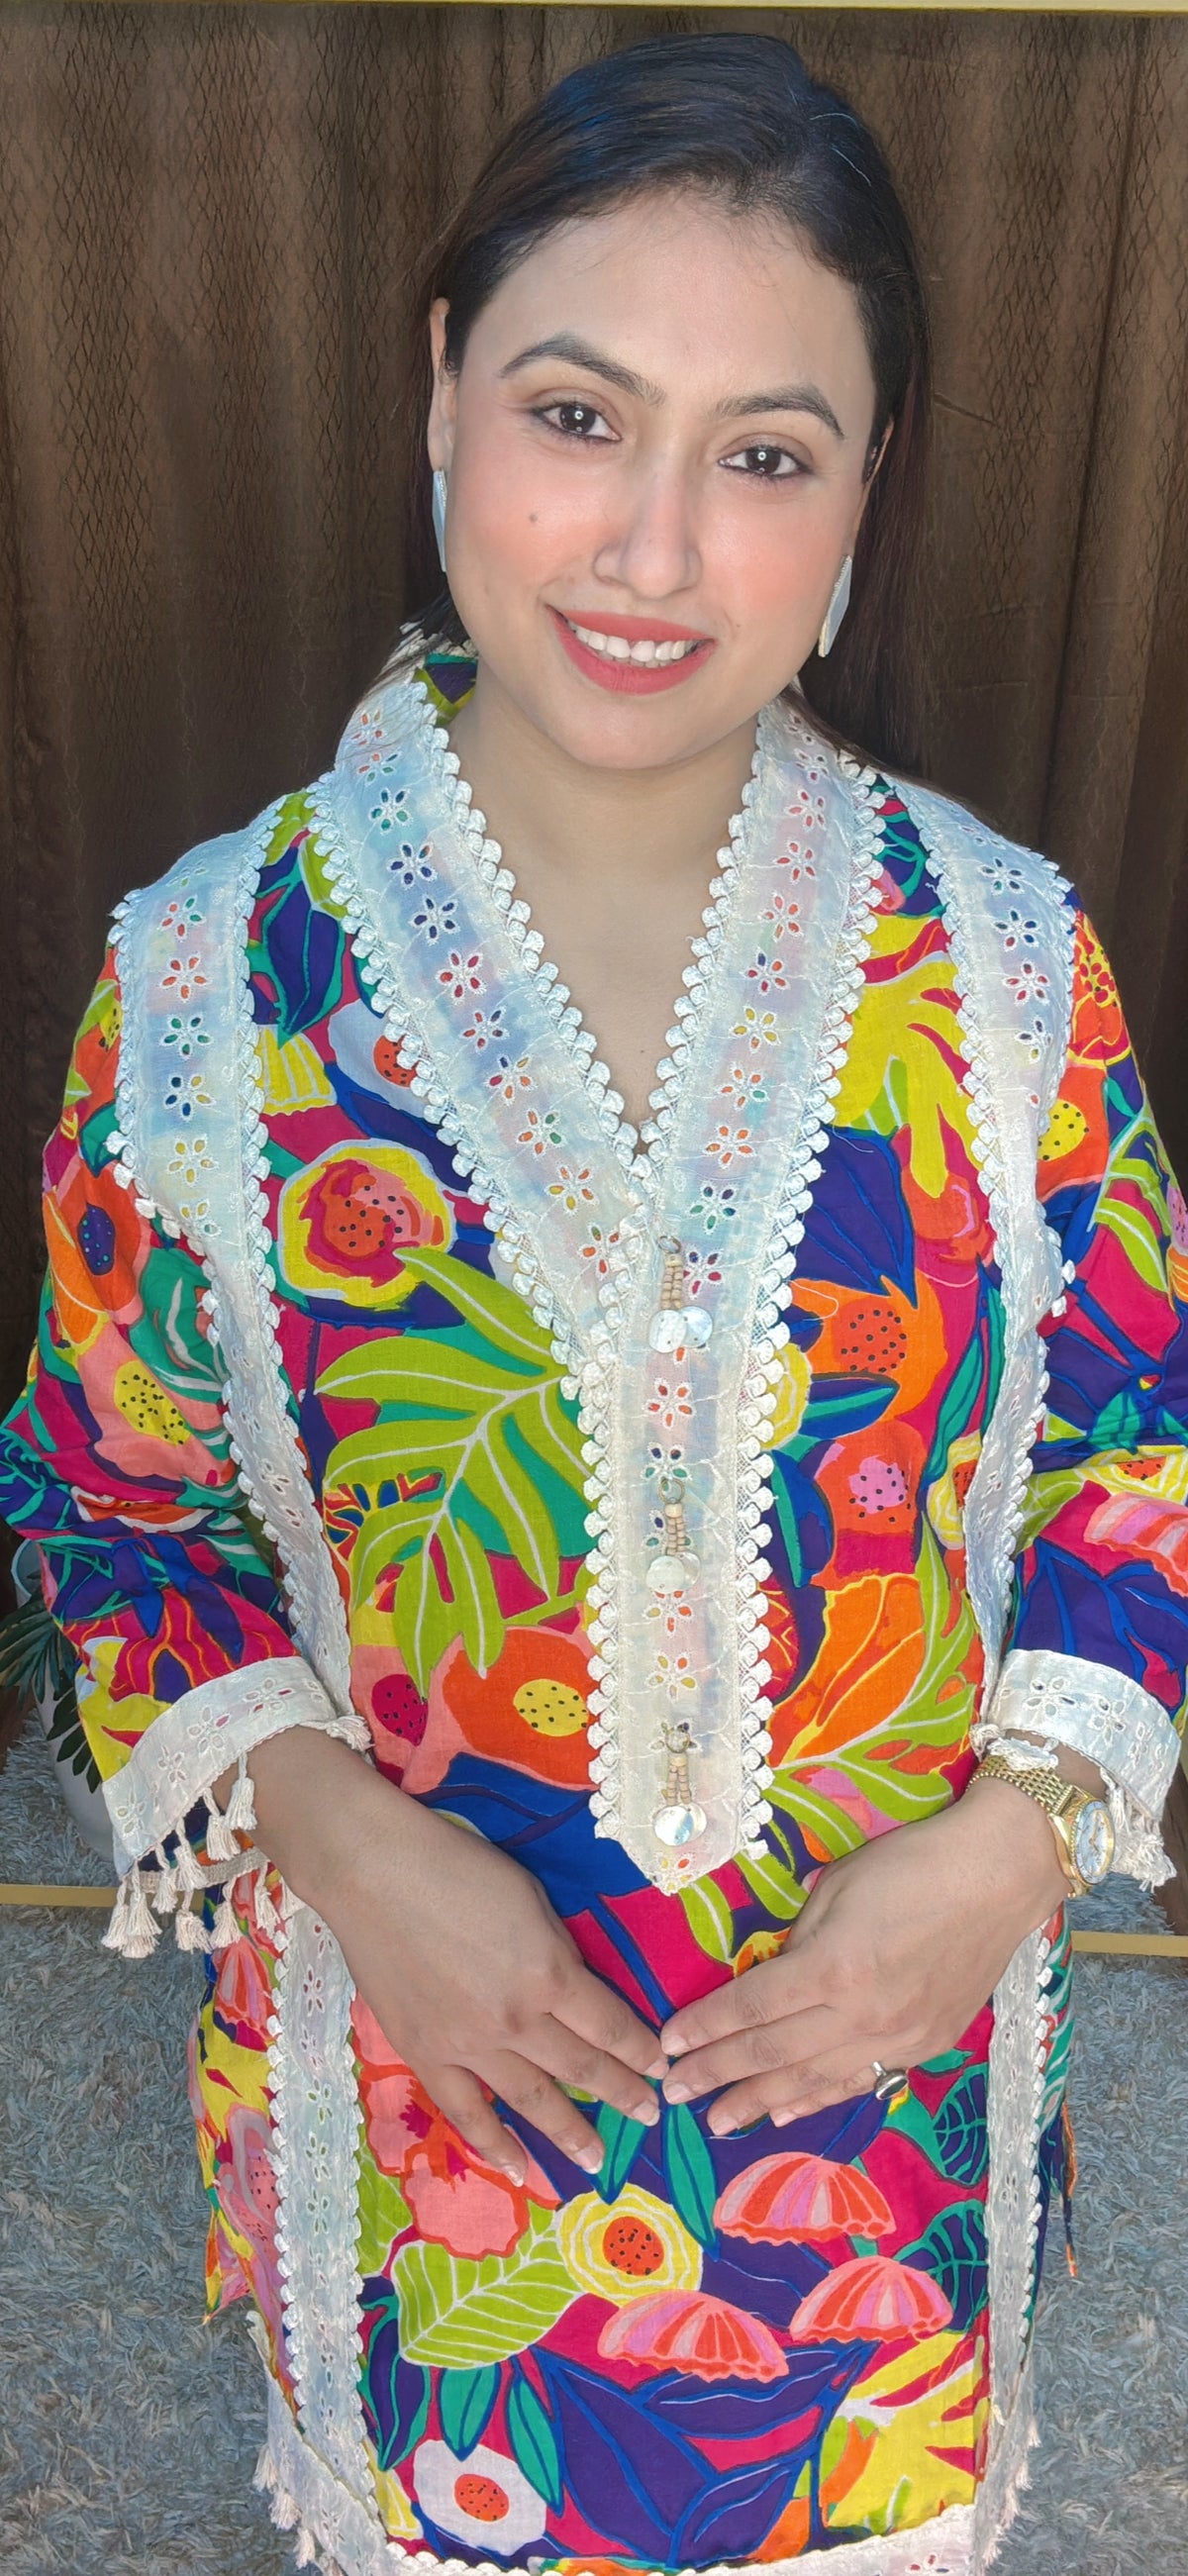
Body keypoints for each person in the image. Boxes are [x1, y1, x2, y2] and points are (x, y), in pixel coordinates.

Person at [2, 33, 1185, 2575]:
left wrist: (1013, 1848)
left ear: (864, 496)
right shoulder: (205, 986)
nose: (652, 547)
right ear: (444, 391)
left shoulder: (1003, 970)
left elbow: (1139, 1453)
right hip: (425, 2126)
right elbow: (111, 1495)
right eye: (576, 413)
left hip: (884, 2153)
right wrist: (341, 1837)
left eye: (765, 452)